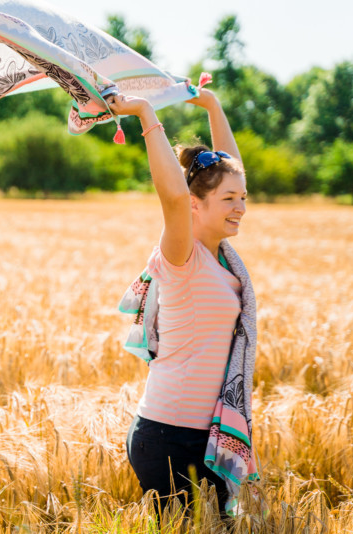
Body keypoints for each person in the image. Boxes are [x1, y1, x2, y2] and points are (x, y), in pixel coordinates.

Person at [108, 88, 254, 517]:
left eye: (243, 197)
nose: (241, 207)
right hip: (166, 435)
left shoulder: (224, 260)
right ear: (196, 204)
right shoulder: (181, 256)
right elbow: (172, 197)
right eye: (229, 200)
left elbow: (232, 171)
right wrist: (144, 114)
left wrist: (213, 106)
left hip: (207, 434)